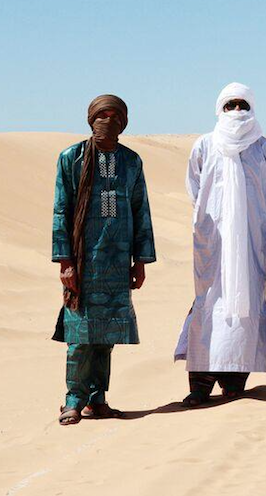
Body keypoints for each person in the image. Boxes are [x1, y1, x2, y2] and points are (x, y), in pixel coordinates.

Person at [174, 83, 266, 406]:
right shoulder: (204, 146)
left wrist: (253, 215)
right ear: (220, 108)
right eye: (230, 105)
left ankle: (235, 378)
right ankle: (201, 381)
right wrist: (216, 215)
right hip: (212, 239)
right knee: (209, 299)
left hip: (251, 238)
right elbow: (194, 186)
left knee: (245, 301)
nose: (237, 111)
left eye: (242, 104)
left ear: (251, 107)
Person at [52, 95, 156, 425]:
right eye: (102, 115)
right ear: (91, 119)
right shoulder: (71, 158)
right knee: (81, 334)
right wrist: (64, 260)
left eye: (114, 116)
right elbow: (61, 211)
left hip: (117, 259)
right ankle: (73, 398)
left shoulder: (131, 162)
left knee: (106, 336)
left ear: (123, 122)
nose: (107, 121)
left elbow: (141, 212)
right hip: (84, 261)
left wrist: (140, 260)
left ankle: (97, 399)